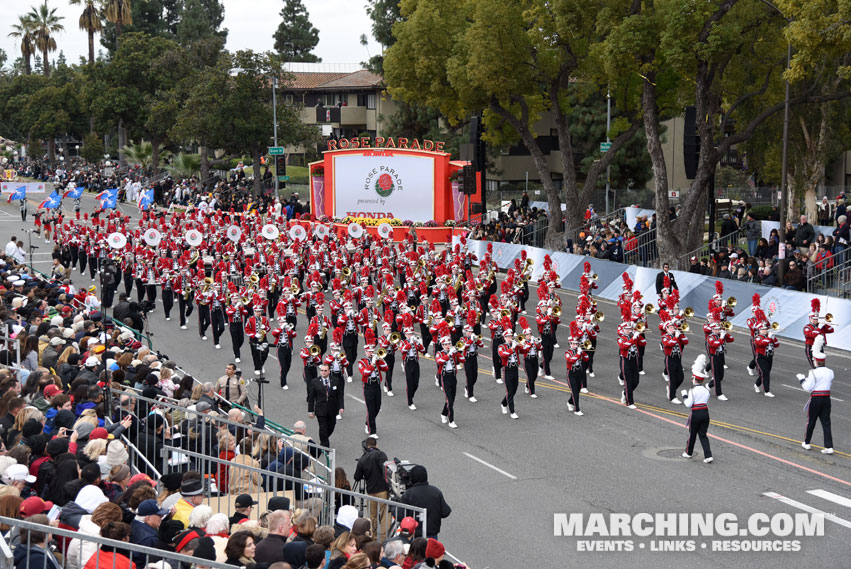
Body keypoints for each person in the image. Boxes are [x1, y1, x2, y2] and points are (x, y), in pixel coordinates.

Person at [798, 336, 834, 454]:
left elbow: (807, 387)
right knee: (826, 422)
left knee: (811, 421)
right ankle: (829, 446)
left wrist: (802, 379)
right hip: (826, 398)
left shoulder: (813, 372)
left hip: (816, 398)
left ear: (816, 361)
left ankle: (807, 442)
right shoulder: (830, 372)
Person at [396, 466, 450, 540]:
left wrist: (393, 509)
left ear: (412, 478)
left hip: (414, 536)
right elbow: (445, 512)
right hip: (432, 536)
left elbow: (400, 516)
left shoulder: (408, 494)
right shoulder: (436, 491)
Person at [353, 437, 389, 541]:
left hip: (371, 492)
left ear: (366, 446)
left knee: (372, 516)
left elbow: (357, 477)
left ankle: (373, 537)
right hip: (383, 490)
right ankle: (383, 539)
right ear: (376, 445)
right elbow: (385, 469)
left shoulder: (363, 459)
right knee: (384, 515)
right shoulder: (381, 454)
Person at [682, 355, 713, 464]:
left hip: (696, 414)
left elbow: (688, 404)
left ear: (695, 379)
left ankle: (688, 452)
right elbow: (707, 402)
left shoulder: (692, 391)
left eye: (692, 378)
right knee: (703, 435)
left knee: (693, 434)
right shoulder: (705, 390)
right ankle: (708, 455)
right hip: (705, 413)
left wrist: (684, 396)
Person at [308, 363, 344, 448]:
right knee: (323, 428)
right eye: (322, 370)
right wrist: (310, 410)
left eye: (325, 371)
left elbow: (339, 395)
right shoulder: (315, 382)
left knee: (331, 426)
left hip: (332, 409)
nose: (323, 372)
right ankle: (325, 447)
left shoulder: (335, 380)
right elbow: (311, 398)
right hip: (320, 410)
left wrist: (341, 407)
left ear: (329, 371)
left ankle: (323, 439)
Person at [753, 321, 780, 397]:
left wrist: (773, 338)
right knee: (765, 373)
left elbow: (777, 345)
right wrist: (769, 337)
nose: (765, 331)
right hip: (761, 357)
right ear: (759, 330)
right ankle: (766, 391)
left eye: (765, 329)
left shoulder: (769, 337)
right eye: (763, 329)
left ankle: (756, 384)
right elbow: (761, 344)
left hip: (769, 357)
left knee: (765, 373)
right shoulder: (757, 337)